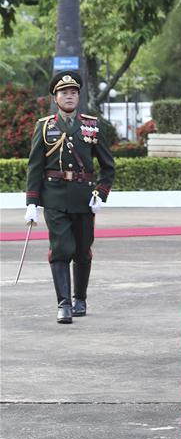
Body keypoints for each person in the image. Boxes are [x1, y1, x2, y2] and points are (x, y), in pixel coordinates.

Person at [25, 71, 115, 323]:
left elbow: (108, 166)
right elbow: (35, 166)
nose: (69, 96)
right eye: (64, 93)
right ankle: (63, 303)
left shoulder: (91, 125)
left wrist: (101, 193)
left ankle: (80, 299)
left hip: (84, 198)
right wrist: (32, 201)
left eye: (74, 92)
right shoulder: (44, 127)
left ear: (79, 96)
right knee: (61, 248)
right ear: (55, 97)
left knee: (83, 250)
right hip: (53, 197)